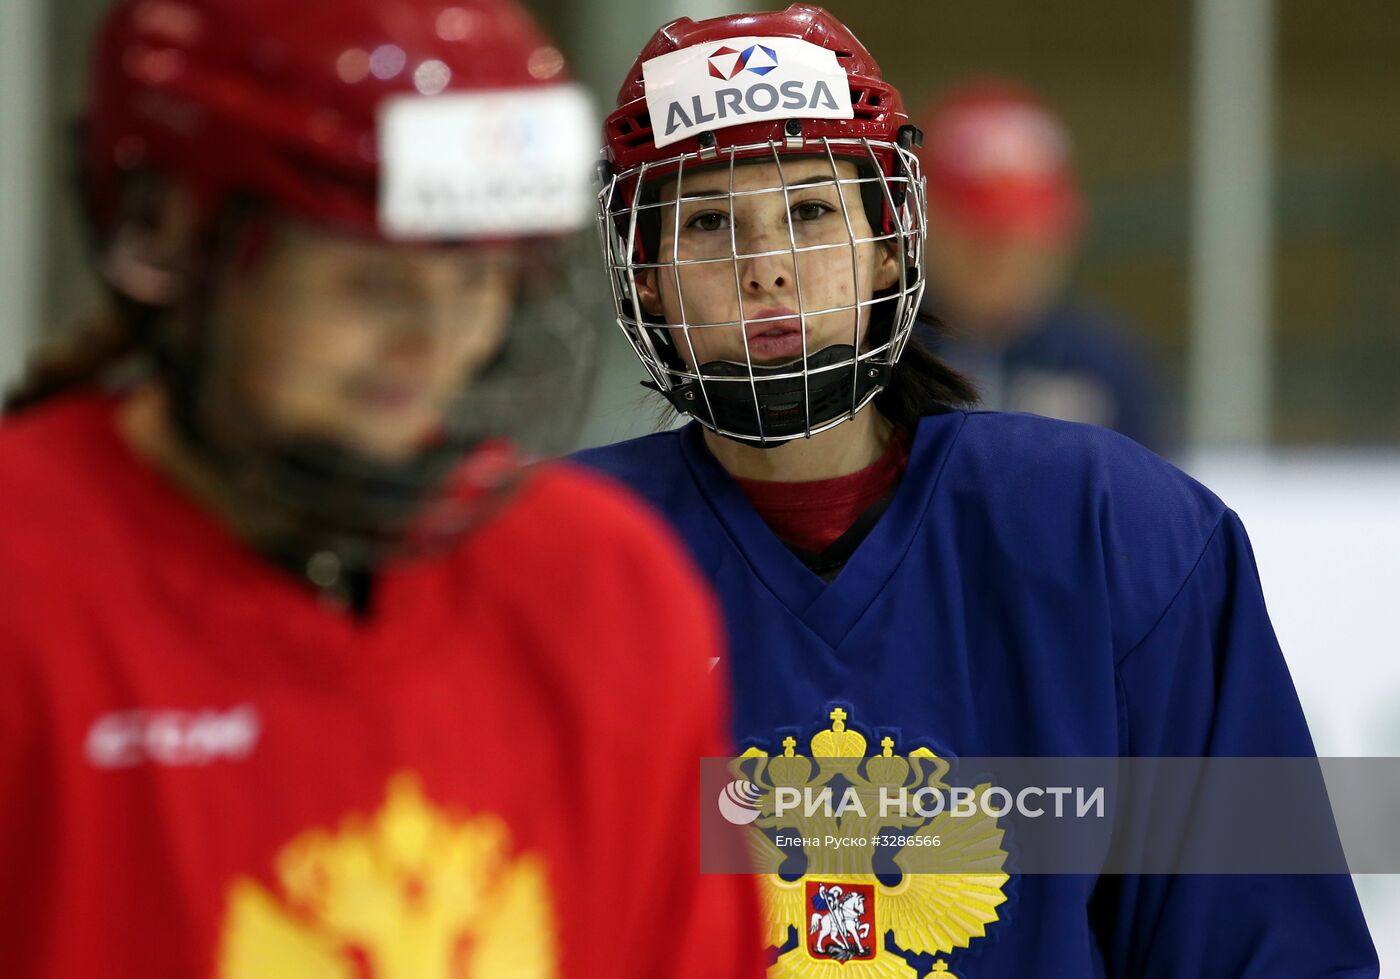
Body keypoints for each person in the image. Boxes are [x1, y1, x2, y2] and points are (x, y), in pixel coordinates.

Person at [578, 4, 1378, 976]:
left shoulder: (1116, 532)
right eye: (708, 223)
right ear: (645, 276)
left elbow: (1267, 949)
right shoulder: (554, 570)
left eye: (810, 212)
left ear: (887, 241)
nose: (766, 269)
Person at [0, 0, 762, 975]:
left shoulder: (608, 593)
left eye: (481, 279)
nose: (434, 345)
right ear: (170, 235)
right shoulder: (28, 582)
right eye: (368, 280)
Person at [917, 81, 1171, 454]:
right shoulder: (880, 358)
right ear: (925, 226)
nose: (1008, 258)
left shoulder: (1106, 366)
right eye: (984, 238)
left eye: (1029, 236)